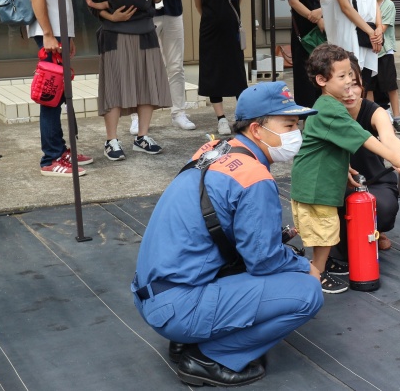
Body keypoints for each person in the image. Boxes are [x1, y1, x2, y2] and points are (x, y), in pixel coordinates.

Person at [132, 81, 323, 388]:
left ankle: (186, 340)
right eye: (288, 125)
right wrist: (306, 266)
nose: (295, 133)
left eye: (297, 125)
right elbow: (263, 261)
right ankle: (208, 358)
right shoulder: (253, 176)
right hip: (178, 308)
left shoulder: (214, 150)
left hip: (154, 295)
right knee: (307, 291)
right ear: (257, 130)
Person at [290, 44, 400, 294]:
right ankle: (317, 273)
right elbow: (363, 137)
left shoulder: (330, 105)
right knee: (325, 231)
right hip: (316, 185)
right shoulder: (331, 109)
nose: (348, 82)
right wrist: (396, 159)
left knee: (327, 229)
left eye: (351, 76)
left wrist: (345, 166)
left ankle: (324, 263)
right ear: (322, 80)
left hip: (322, 182)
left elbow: (328, 144)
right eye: (342, 76)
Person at [88, 0, 171, 161]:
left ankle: (142, 137)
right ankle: (111, 140)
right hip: (115, 34)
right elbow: (92, 3)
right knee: (115, 86)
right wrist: (112, 17)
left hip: (145, 31)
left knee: (146, 83)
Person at [25, 0, 93, 177]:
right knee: (51, 95)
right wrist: (48, 33)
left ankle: (60, 149)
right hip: (49, 32)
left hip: (57, 32)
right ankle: (51, 158)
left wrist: (68, 35)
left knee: (60, 93)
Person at [336, 58, 400, 258]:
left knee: (384, 209)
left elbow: (389, 138)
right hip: (337, 184)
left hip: (374, 181)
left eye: (355, 85)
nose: (350, 93)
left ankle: (376, 229)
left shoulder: (374, 111)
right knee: (343, 248)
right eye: (344, 85)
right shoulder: (325, 112)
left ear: (362, 84)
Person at [127, 0, 196, 133]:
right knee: (141, 66)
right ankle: (136, 117)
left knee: (176, 65)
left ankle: (178, 113)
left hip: (173, 11)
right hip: (144, 13)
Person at [192, 0, 248, 137]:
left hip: (232, 32)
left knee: (237, 73)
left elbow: (238, 1)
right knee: (213, 73)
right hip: (210, 33)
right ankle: (221, 118)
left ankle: (242, 116)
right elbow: (199, 6)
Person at [277, 0, 328, 108]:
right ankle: (306, 113)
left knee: (327, 70)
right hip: (304, 33)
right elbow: (293, 1)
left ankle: (325, 110)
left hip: (327, 31)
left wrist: (321, 12)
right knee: (304, 74)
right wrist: (315, 17)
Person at [371, 0, 400, 132]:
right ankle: (371, 117)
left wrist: (371, 33)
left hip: (384, 51)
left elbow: (382, 28)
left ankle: (397, 118)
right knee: (369, 86)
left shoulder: (389, 5)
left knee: (390, 85)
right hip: (368, 51)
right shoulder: (365, 3)